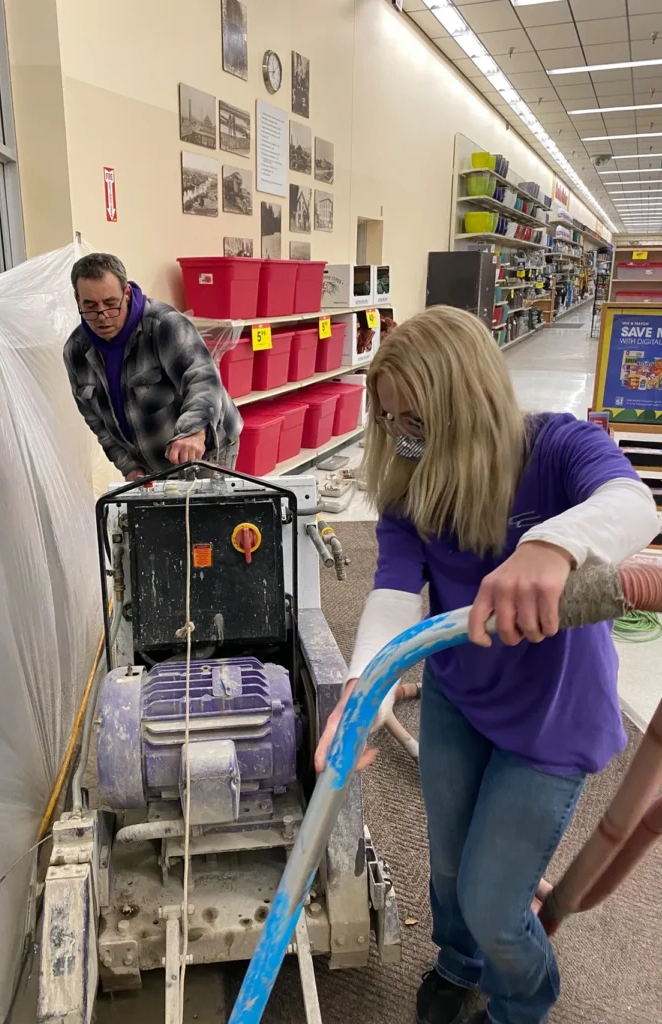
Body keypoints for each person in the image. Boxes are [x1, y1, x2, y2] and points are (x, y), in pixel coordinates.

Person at [315, 306, 658, 1024]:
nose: (406, 438)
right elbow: (392, 594)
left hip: (552, 719)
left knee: (496, 900)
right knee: (446, 868)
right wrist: (360, 690)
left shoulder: (556, 448)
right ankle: (458, 961)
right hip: (459, 697)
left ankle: (521, 1000)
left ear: (469, 399)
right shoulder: (412, 482)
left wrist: (555, 546)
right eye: (392, 422)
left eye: (420, 419)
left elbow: (633, 504)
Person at [64, 252, 242, 480]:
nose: (103, 316)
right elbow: (96, 421)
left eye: (110, 303)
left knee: (207, 515)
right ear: (77, 300)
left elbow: (203, 380)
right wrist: (128, 466)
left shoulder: (164, 326)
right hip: (149, 463)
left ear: (126, 294)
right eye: (90, 306)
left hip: (205, 449)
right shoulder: (76, 351)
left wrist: (194, 432)